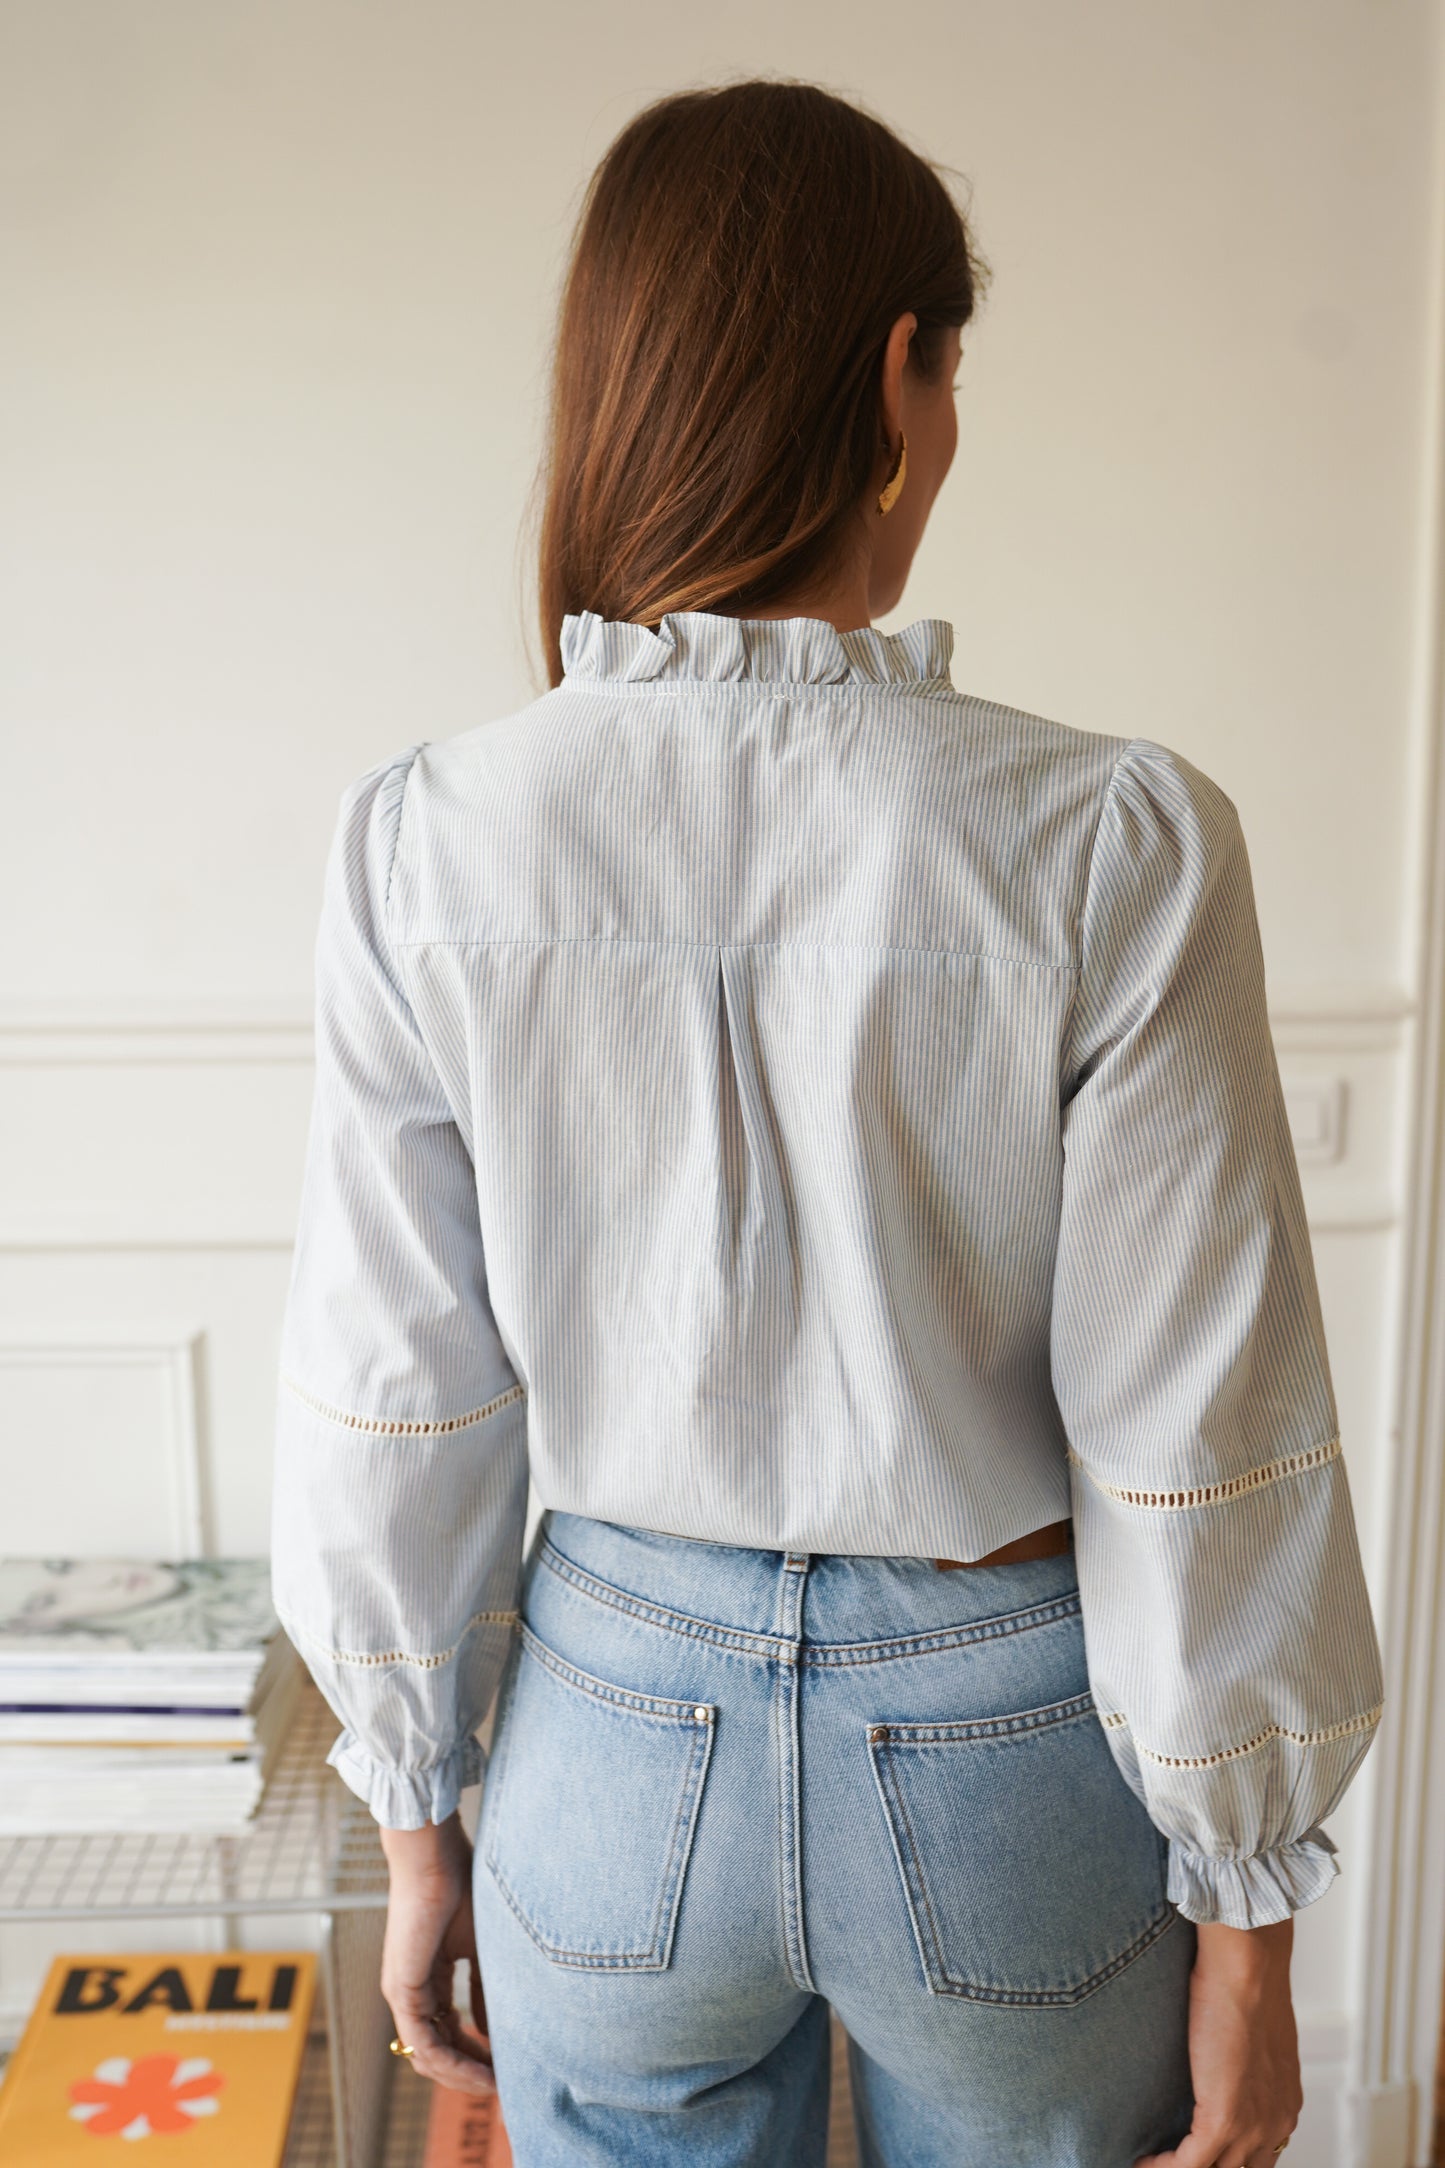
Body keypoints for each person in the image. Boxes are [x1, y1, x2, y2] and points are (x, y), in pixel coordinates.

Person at [270, 78, 1384, 2168]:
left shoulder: (423, 840)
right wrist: (1250, 1929)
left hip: (602, 1735)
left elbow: (390, 1393)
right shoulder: (1114, 841)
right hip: (1010, 1754)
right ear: (901, 375)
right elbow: (1199, 1427)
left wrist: (421, 1825)